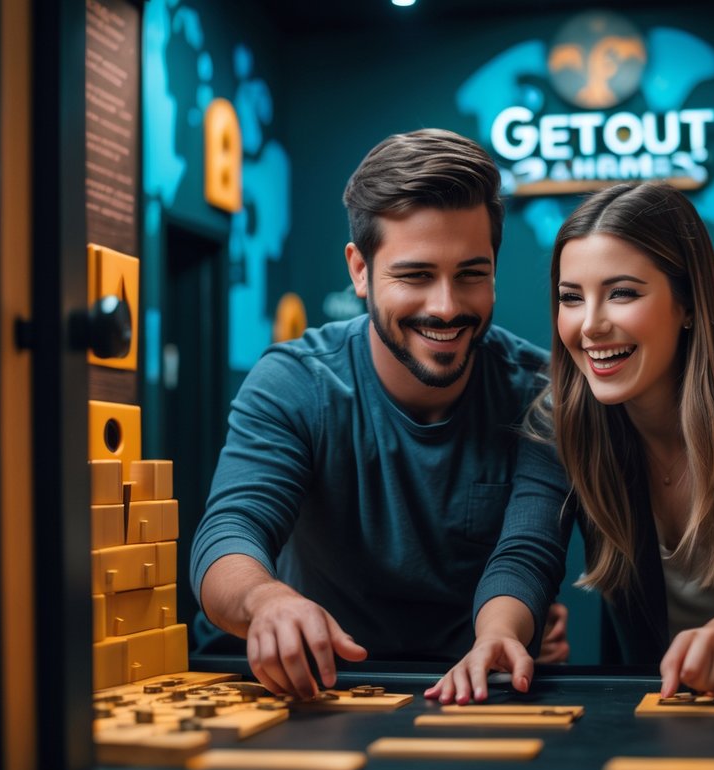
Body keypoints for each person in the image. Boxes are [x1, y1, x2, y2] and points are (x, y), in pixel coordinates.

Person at [427, 182, 714, 704]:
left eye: (622, 293)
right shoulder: (563, 415)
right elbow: (525, 553)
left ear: (687, 301)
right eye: (571, 298)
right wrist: (498, 635)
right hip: (645, 704)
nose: (591, 326)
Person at [191, 129, 572, 699]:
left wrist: (503, 631)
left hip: (461, 687)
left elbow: (529, 548)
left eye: (471, 274)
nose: (445, 306)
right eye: (415, 275)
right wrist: (266, 601)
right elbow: (231, 529)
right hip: (305, 685)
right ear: (360, 270)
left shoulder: (540, 391)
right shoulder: (296, 381)